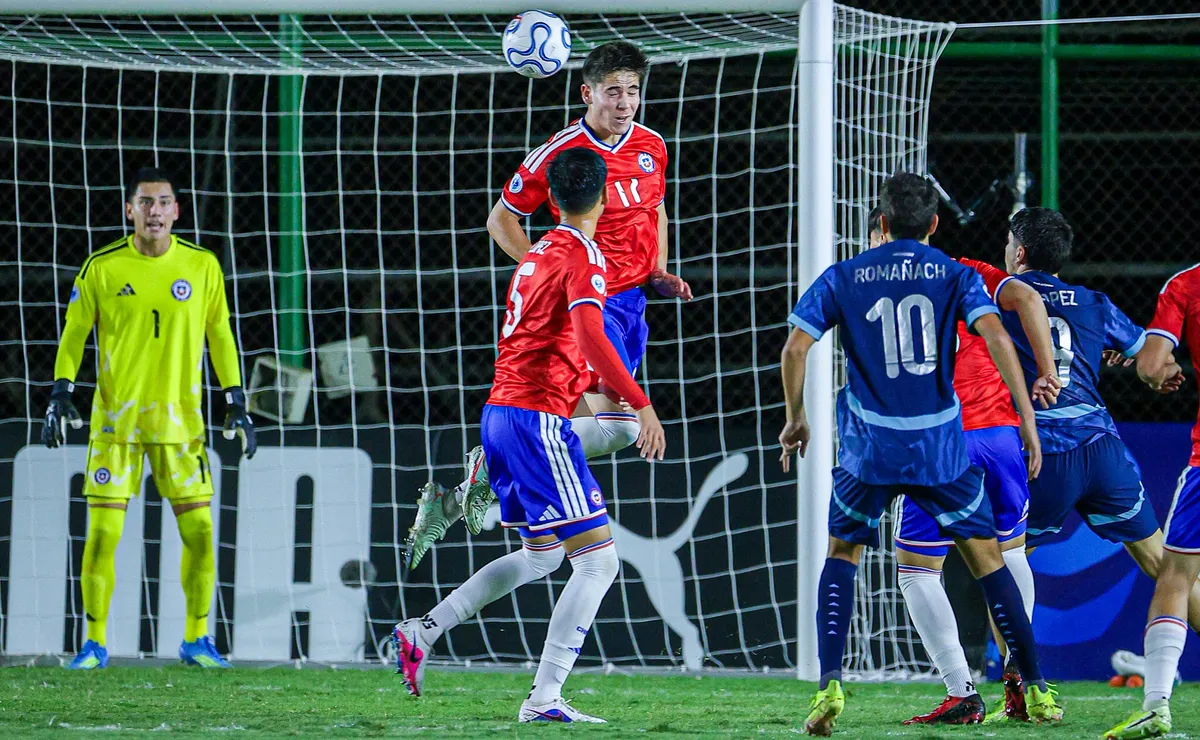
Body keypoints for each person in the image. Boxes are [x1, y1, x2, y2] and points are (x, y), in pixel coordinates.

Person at [779, 173, 1062, 735]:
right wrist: (1028, 419)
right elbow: (1000, 337)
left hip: (870, 450)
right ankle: (1034, 686)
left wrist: (796, 417)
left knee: (842, 556)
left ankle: (829, 684)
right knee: (989, 561)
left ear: (880, 224)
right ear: (934, 224)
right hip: (939, 447)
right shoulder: (956, 274)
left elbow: (795, 346)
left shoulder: (844, 275)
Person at [393, 148, 667, 723]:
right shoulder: (586, 258)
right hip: (538, 422)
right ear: (604, 197)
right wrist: (640, 404)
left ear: (553, 197)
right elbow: (593, 339)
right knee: (598, 563)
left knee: (543, 557)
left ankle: (423, 630)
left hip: (502, 412)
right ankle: (543, 699)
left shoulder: (537, 251)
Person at [402, 40, 690, 569]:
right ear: (588, 93)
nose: (625, 102)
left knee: (611, 428)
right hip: (585, 308)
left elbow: (657, 209)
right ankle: (490, 469)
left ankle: (478, 477)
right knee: (620, 425)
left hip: (630, 306)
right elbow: (500, 221)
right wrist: (550, 274)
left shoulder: (652, 145)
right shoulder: (558, 153)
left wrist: (658, 271)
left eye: (633, 91)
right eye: (613, 92)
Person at [43, 167, 255, 670]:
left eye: (163, 202)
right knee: (103, 537)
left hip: (181, 427)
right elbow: (74, 333)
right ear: (129, 210)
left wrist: (236, 401)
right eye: (145, 202)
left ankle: (197, 639)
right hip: (116, 426)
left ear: (176, 211)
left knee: (202, 534)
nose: (154, 211)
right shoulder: (102, 267)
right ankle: (93, 643)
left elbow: (220, 335)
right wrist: (59, 392)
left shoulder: (202, 266)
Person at [990, 209, 1198, 720]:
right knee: (1166, 567)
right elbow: (1154, 360)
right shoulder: (1094, 303)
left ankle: (1022, 693)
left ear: (1019, 253)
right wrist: (1157, 371)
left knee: (1000, 562)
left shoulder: (998, 296)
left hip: (1044, 452)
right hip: (1104, 451)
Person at [867, 205, 1062, 725]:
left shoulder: (874, 292)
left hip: (941, 444)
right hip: (999, 437)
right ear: (931, 227)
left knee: (915, 571)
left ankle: (962, 692)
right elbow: (1025, 296)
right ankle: (1025, 680)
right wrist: (1045, 375)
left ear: (883, 235)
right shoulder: (969, 270)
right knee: (1010, 553)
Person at [1105, 260, 1195, 739]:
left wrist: (1150, 363)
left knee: (1174, 577)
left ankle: (1157, 704)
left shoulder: (1186, 285)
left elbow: (1151, 363)